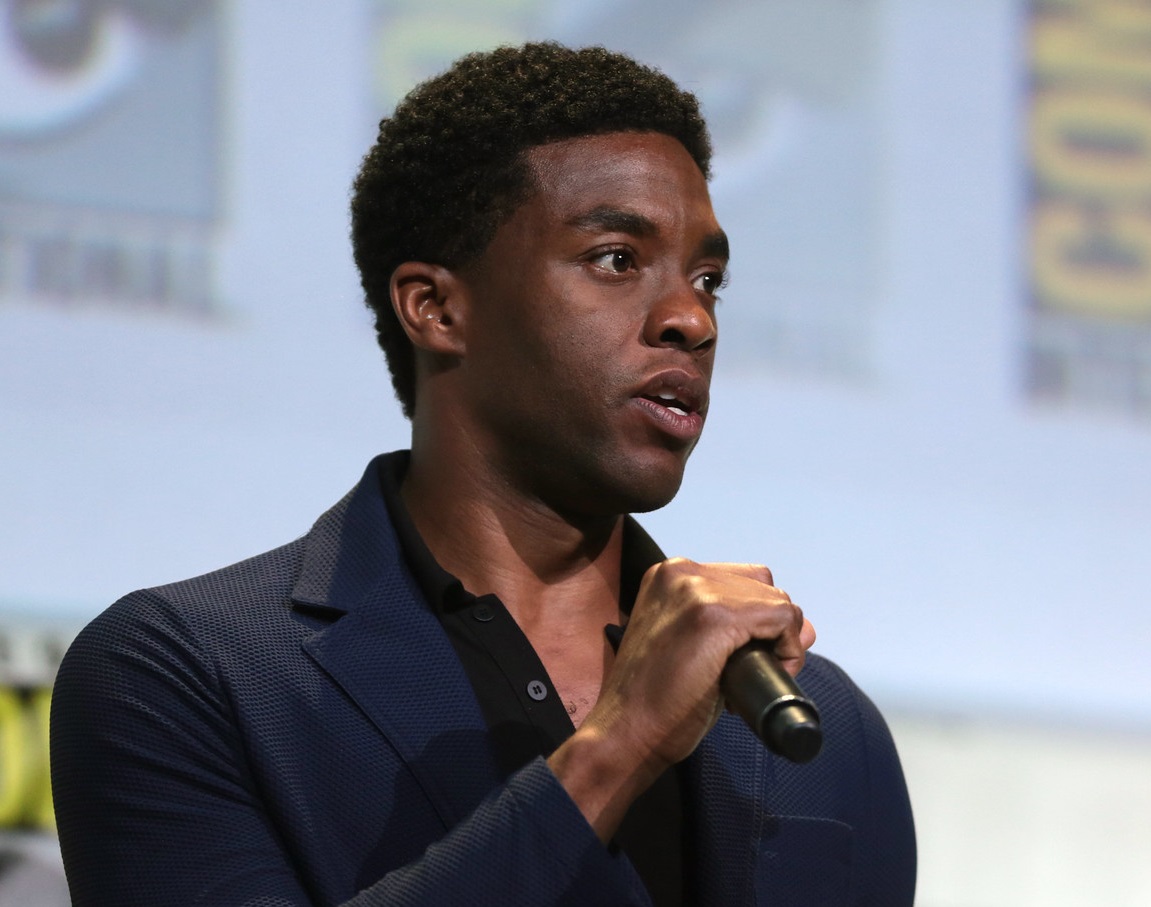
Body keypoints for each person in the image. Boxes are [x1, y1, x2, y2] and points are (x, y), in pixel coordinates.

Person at [50, 43, 916, 906]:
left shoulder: (826, 728)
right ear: (436, 308)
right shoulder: (188, 675)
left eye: (707, 278)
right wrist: (616, 747)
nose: (690, 317)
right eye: (616, 258)